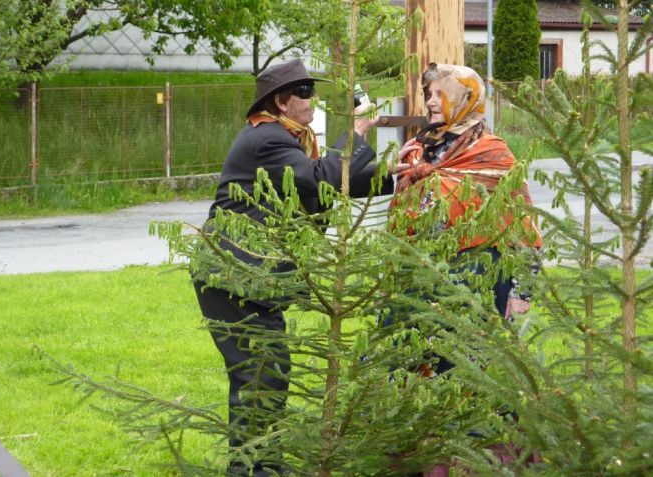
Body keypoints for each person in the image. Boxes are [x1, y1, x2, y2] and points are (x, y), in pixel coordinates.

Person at [192, 58, 396, 476]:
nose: (313, 98)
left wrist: (402, 172)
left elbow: (329, 183)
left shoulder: (286, 140)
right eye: (304, 92)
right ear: (281, 102)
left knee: (267, 372)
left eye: (311, 90)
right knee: (259, 374)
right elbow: (322, 178)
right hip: (232, 274)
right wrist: (355, 132)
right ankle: (254, 470)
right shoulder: (268, 138)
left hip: (249, 275)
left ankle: (264, 465)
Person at [389, 63, 542, 476]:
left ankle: (477, 462)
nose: (432, 103)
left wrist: (522, 292)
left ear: (466, 98)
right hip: (418, 286)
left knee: (472, 374)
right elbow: (402, 217)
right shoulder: (418, 152)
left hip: (480, 284)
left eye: (441, 94)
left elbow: (524, 229)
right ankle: (420, 459)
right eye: (429, 96)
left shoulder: (492, 154)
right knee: (414, 370)